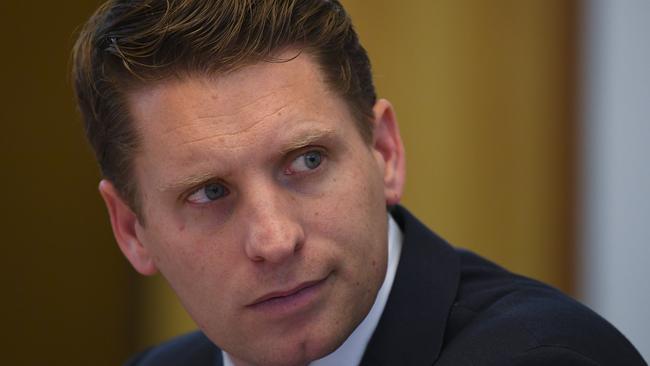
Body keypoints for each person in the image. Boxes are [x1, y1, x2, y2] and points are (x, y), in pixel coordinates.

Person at [72, 1, 646, 365]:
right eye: (210, 193)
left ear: (385, 152)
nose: (274, 240)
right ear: (131, 230)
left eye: (308, 161)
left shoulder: (547, 359)